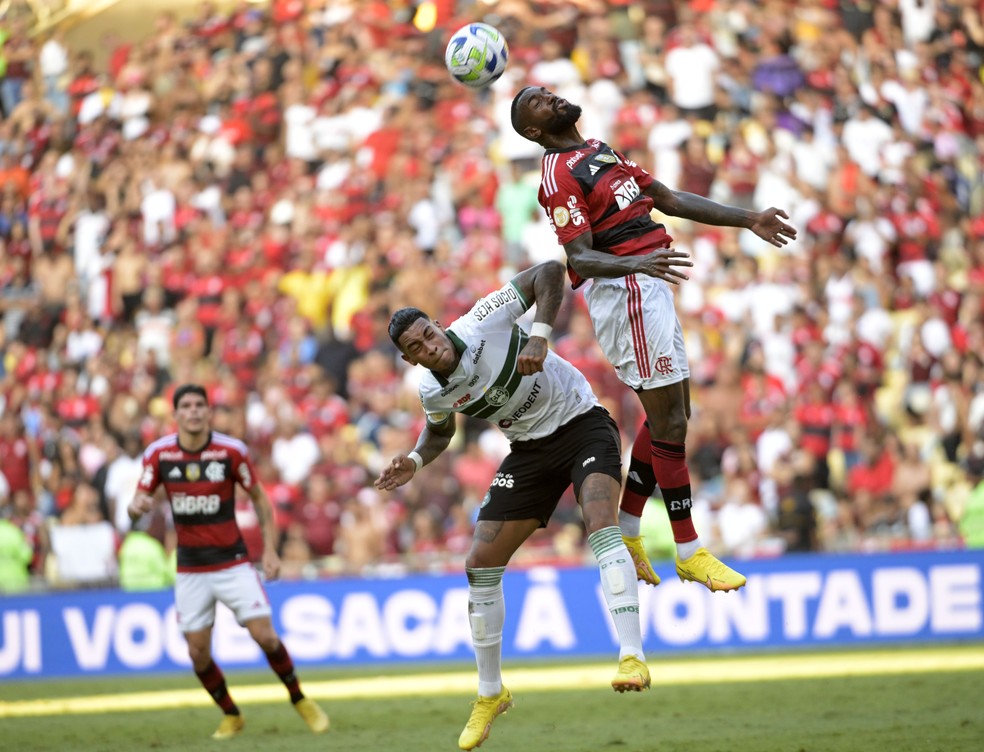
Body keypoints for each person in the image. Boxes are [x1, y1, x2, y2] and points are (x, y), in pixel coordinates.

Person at [511, 86, 798, 591]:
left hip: (649, 284)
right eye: (537, 102)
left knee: (673, 414)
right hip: (626, 291)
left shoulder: (598, 149)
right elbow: (579, 257)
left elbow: (667, 199)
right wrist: (638, 263)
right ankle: (688, 550)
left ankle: (627, 530)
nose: (550, 98)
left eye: (547, 92)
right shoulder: (557, 175)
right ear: (534, 131)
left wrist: (748, 219)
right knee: (671, 423)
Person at [375, 261, 653, 751]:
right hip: (529, 450)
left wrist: (539, 336)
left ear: (437, 324)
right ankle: (490, 693)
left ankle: (632, 654)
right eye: (415, 348)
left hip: (582, 422)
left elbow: (549, 272)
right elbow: (440, 431)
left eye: (428, 334)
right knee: (479, 562)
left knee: (599, 521)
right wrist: (415, 460)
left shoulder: (482, 320)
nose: (429, 346)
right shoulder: (431, 390)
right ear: (409, 360)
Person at [127, 384, 329, 740]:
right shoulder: (159, 454)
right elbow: (136, 503)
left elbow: (260, 499)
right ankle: (231, 714)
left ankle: (299, 698)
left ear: (209, 412)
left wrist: (270, 550)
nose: (193, 411)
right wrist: (135, 507)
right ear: (175, 414)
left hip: (232, 561)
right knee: (198, 653)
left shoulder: (231, 452)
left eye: (199, 405)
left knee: (266, 636)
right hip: (190, 567)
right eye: (186, 406)